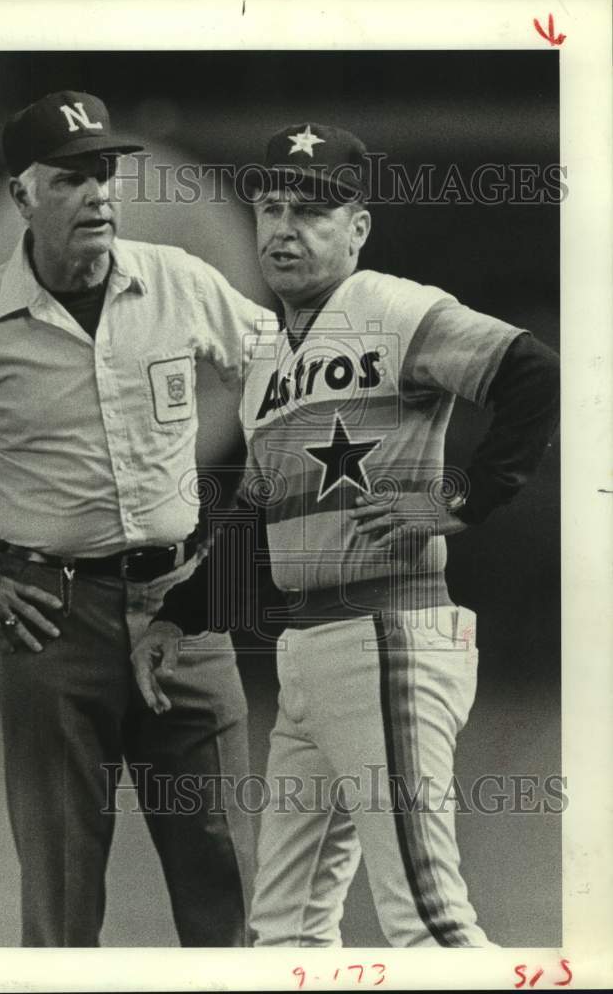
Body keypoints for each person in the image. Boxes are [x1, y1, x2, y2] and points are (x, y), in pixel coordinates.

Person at [131, 122, 560, 947]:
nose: (285, 228)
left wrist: (462, 499)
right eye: (272, 207)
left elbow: (532, 373)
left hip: (386, 637)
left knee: (428, 921)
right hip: (312, 656)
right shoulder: (267, 359)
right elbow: (258, 522)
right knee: (285, 933)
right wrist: (176, 619)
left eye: (314, 211)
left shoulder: (389, 307)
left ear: (357, 229)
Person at [0, 90, 273, 947]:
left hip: (183, 609)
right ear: (22, 196)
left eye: (106, 173)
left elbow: (292, 385)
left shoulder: (181, 283)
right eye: (73, 178)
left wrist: (242, 531)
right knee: (61, 895)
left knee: (225, 881)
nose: (99, 194)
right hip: (49, 621)